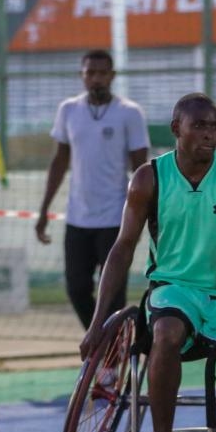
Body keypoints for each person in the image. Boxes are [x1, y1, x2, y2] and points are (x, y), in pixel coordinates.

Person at [79, 93, 216, 432]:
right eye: (199, 125)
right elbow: (123, 247)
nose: (209, 134)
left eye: (214, 126)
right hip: (171, 288)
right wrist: (97, 322)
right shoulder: (150, 178)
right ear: (175, 129)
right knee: (166, 332)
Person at [36, 49, 150, 329]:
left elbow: (142, 169)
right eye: (90, 73)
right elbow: (60, 160)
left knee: (111, 294)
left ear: (112, 76)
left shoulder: (129, 113)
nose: (96, 79)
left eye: (102, 73)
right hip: (78, 216)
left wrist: (146, 213)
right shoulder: (69, 110)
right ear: (82, 76)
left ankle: (111, 361)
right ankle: (102, 343)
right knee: (76, 288)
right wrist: (44, 210)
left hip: (116, 217)